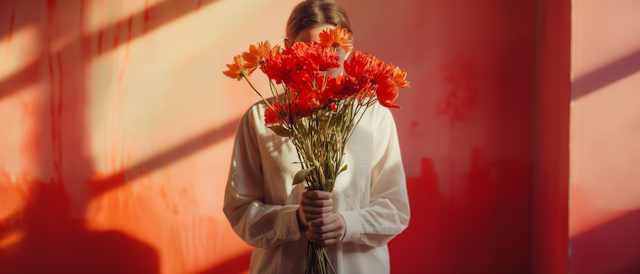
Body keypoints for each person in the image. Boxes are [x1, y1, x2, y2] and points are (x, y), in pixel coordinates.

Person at [223, 0, 410, 273]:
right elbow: (239, 210)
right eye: (308, 49)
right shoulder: (261, 118)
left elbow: (395, 208)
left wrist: (348, 225)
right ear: (287, 49)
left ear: (348, 48)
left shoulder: (373, 117)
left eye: (333, 48)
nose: (320, 62)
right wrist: (295, 219)